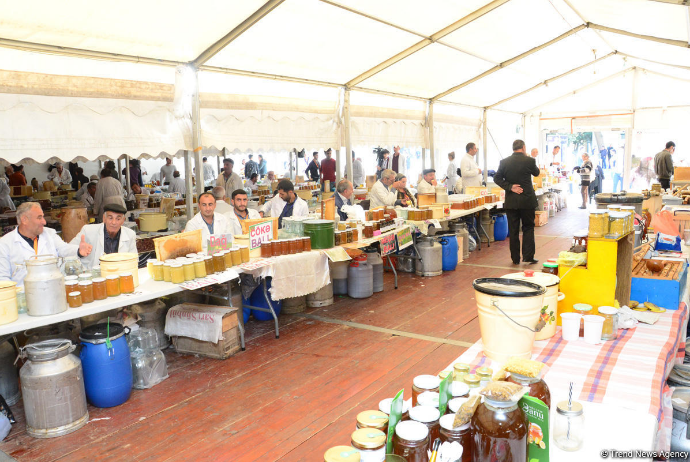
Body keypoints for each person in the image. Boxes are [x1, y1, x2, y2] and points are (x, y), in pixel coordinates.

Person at [0, 202, 92, 285]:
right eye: (39, 217)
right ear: (24, 220)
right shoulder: (5, 244)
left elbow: (63, 248)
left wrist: (78, 251)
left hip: (53, 290)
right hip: (24, 297)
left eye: (43, 217)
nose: (44, 222)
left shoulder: (49, 234)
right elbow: (3, 279)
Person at [493, 140, 540, 266]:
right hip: (527, 201)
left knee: (513, 230)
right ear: (524, 147)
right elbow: (537, 173)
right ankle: (528, 256)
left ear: (513, 148)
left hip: (511, 201)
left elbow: (496, 178)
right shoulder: (529, 160)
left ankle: (515, 259)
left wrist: (510, 187)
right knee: (528, 228)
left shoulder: (504, 162)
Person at [69, 203, 137, 270]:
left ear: (123, 221)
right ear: (104, 218)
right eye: (110, 218)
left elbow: (134, 261)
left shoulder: (130, 235)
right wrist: (79, 252)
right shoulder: (88, 231)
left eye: (118, 219)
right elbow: (67, 252)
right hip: (93, 275)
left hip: (118, 274)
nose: (113, 222)